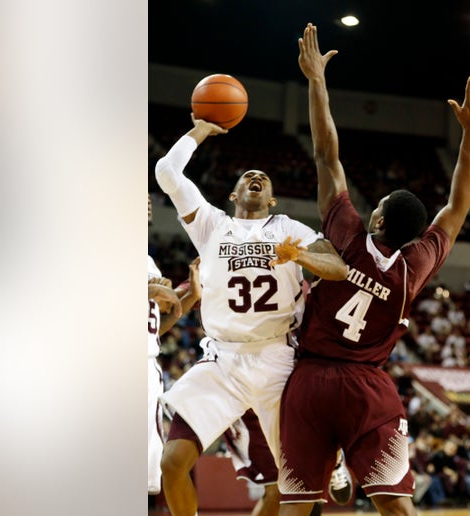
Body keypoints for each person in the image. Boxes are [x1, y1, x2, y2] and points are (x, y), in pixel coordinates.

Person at [275, 23, 470, 516]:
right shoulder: (415, 265)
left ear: (378, 217)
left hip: (309, 379)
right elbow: (457, 206)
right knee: (396, 508)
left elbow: (327, 152)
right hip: (367, 387)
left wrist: (316, 82)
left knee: (296, 507)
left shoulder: (347, 231)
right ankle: (355, 468)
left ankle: (337, 470)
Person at [154, 115, 349, 516]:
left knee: (296, 483)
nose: (256, 178)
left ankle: (335, 458)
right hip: (222, 359)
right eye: (248, 176)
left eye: (263, 178)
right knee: (172, 462)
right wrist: (201, 131)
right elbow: (167, 172)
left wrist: (301, 255)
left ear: (272, 200)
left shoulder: (288, 227)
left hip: (277, 359)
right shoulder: (211, 225)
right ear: (232, 194)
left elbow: (338, 268)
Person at [148, 195, 201, 496]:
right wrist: (147, 290)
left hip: (147, 365)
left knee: (148, 467)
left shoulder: (149, 263)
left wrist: (191, 297)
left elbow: (151, 330)